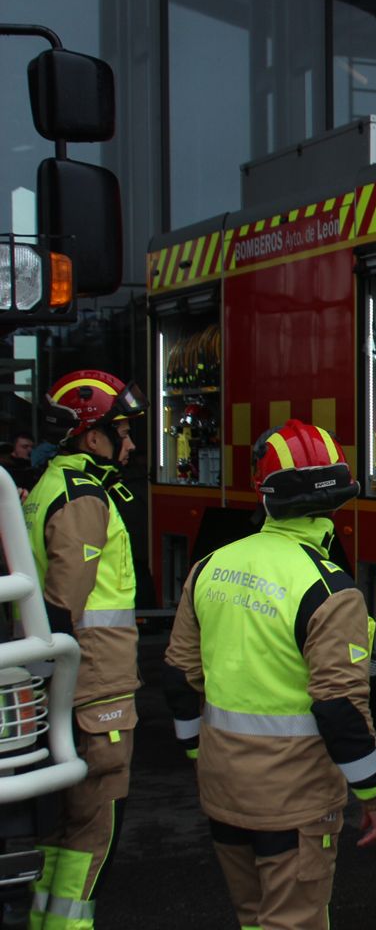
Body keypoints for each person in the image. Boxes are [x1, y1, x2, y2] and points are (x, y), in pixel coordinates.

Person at [162, 418, 376, 929]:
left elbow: (179, 680)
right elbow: (339, 708)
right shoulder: (330, 590)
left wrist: (201, 753)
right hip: (295, 801)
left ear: (266, 497)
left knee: (252, 919)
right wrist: (374, 791)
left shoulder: (209, 566)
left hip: (223, 790)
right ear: (337, 501)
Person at [22, 370, 145, 930]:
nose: (132, 443)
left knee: (63, 824)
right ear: (91, 436)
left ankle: (47, 922)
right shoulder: (83, 498)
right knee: (95, 822)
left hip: (72, 685)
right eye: (122, 431)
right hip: (94, 686)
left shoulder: (53, 483)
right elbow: (65, 602)